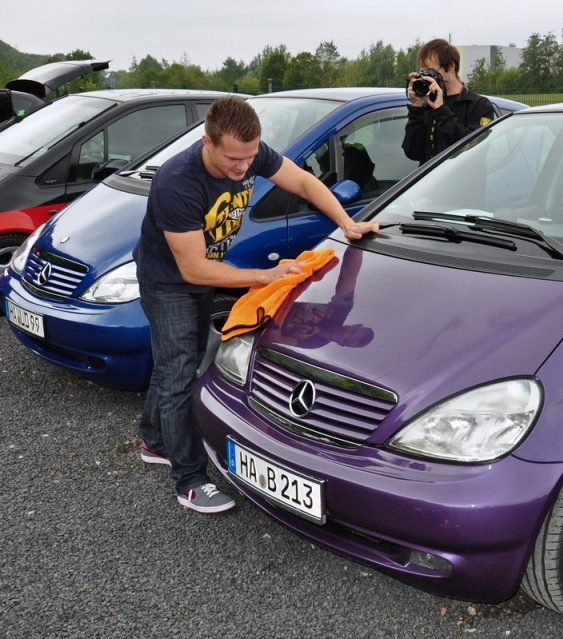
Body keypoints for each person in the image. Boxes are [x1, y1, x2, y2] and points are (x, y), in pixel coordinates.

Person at [132, 95, 379, 514]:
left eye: (250, 158)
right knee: (179, 374)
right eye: (233, 159)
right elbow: (194, 269)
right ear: (207, 143)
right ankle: (189, 480)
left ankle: (154, 441)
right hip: (169, 283)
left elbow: (303, 183)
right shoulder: (177, 182)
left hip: (202, 275)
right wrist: (266, 276)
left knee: (180, 360)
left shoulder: (250, 152)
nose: (244, 168)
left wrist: (346, 223)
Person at [402, 38, 495, 164]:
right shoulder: (428, 102)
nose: (425, 76)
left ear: (451, 66)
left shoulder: (479, 105)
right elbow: (412, 152)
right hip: (431, 177)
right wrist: (416, 106)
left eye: (429, 70)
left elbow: (473, 149)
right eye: (422, 71)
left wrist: (441, 110)